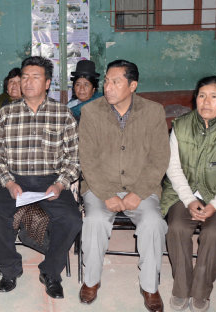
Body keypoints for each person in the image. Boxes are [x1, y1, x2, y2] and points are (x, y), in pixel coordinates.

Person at [78, 59, 169, 312]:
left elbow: (160, 158)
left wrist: (138, 193)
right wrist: (107, 194)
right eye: (106, 81)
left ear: (133, 85)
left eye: (115, 81)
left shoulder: (153, 112)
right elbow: (87, 159)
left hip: (141, 187)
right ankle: (91, 281)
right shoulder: (91, 111)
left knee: (153, 223)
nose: (108, 87)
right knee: (94, 221)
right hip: (99, 187)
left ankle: (150, 286)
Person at [0, 56, 81, 299]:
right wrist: (8, 182)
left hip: (50, 181)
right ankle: (9, 270)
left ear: (48, 83)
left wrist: (61, 183)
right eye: (24, 77)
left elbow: (73, 158)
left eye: (35, 77)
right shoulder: (5, 115)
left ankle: (50, 271)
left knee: (72, 219)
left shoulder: (63, 114)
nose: (27, 82)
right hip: (14, 180)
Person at [161, 76, 216, 312]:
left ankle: (201, 292)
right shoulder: (181, 125)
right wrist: (189, 199)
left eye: (214, 96)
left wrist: (215, 204)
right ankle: (181, 288)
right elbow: (173, 167)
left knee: (212, 233)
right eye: (201, 96)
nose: (206, 102)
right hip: (185, 192)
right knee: (178, 228)